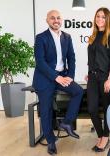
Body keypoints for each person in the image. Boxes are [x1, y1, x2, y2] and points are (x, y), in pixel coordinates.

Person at [32, 10, 83, 155]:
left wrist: (71, 76)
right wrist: (56, 77)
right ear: (47, 20)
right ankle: (51, 142)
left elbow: (71, 58)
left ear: (62, 20)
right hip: (45, 78)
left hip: (62, 76)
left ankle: (66, 123)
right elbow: (40, 62)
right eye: (52, 18)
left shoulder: (67, 37)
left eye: (58, 18)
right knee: (46, 109)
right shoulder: (41, 38)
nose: (56, 20)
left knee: (78, 91)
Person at [86, 7, 110, 152]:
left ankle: (105, 138)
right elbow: (92, 59)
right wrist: (89, 72)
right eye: (98, 16)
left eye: (103, 17)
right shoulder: (92, 37)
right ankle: (101, 135)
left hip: (105, 77)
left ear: (107, 19)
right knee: (92, 108)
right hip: (93, 77)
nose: (100, 19)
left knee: (106, 109)